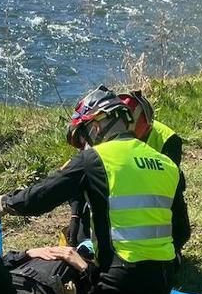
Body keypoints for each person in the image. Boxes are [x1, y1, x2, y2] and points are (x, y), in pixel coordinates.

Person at [0, 86, 201, 294]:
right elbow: (182, 232)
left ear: (99, 123)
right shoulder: (166, 164)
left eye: (85, 134)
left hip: (121, 283)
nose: (85, 143)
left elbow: (40, 197)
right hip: (162, 282)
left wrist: (5, 202)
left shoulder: (95, 161)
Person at [66, 87, 183, 246]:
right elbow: (77, 177)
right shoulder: (99, 132)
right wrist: (75, 216)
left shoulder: (168, 139)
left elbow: (168, 189)